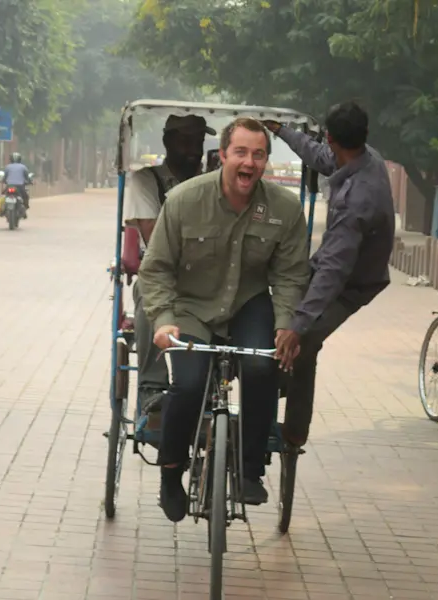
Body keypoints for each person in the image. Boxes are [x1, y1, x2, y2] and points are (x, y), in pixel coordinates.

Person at [139, 117, 311, 522]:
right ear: (222, 156)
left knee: (260, 364)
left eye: (258, 154)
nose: (249, 162)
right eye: (241, 152)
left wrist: (286, 324)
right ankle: (170, 475)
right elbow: (157, 268)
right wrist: (163, 320)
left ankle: (251, 470)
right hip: (191, 305)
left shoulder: (284, 209)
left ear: (266, 161)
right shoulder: (183, 200)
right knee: (191, 383)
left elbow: (290, 275)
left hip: (248, 303)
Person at [262, 101, 396, 447]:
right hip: (331, 267)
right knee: (287, 322)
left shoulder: (358, 202)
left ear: (332, 137)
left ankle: (278, 424)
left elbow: (334, 273)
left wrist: (297, 326)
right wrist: (282, 131)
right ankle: (284, 408)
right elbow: (321, 157)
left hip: (353, 284)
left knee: (297, 344)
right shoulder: (365, 157)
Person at [124, 114, 216, 415]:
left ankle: (216, 388)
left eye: (198, 142)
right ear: (167, 142)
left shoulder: (216, 181)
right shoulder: (146, 180)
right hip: (163, 271)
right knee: (147, 292)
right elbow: (154, 239)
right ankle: (152, 387)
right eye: (185, 141)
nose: (193, 149)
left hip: (211, 276)